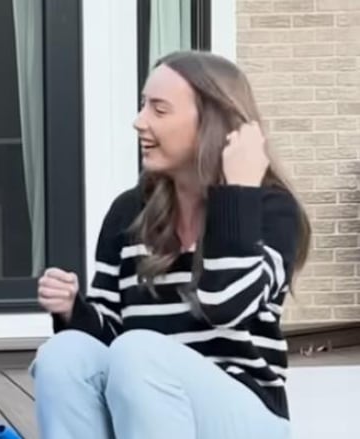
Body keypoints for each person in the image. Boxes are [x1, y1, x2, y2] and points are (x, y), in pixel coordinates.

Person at [31, 50, 311, 439]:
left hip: (244, 416)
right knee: (62, 356)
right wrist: (72, 311)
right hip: (145, 406)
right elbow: (109, 338)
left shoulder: (271, 210)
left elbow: (227, 306)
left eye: (159, 110)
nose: (139, 122)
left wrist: (238, 192)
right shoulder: (128, 212)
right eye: (143, 106)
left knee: (140, 352)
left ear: (211, 124)